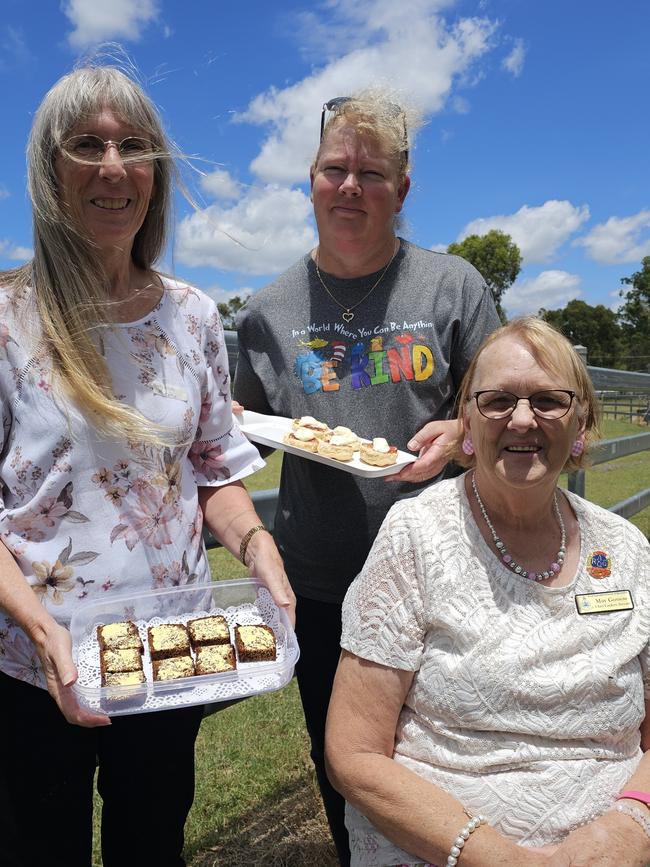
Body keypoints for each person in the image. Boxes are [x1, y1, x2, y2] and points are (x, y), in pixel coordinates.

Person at [0, 60, 294, 867]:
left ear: (156, 174)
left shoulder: (194, 315)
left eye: (134, 146)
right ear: (47, 167)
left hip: (173, 651)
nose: (113, 167)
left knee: (151, 843)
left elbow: (212, 469)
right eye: (87, 145)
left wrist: (258, 547)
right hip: (36, 666)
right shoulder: (7, 318)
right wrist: (36, 626)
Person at [234, 90, 501, 864]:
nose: (351, 187)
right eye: (335, 169)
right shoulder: (268, 311)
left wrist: (463, 428)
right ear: (312, 180)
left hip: (446, 574)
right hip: (322, 582)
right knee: (344, 763)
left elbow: (500, 403)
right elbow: (242, 437)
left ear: (403, 189)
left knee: (452, 751)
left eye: (372, 173)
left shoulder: (453, 289)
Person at [325, 317, 650, 867]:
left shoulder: (627, 548)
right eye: (498, 401)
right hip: (446, 846)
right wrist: (500, 857)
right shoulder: (416, 536)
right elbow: (353, 753)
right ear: (467, 427)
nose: (523, 419)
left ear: (581, 427)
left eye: (549, 400)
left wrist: (631, 825)